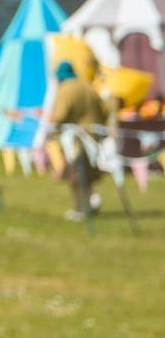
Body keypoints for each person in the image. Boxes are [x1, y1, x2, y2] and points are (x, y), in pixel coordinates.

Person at [47, 61, 110, 221]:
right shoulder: (88, 87)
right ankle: (92, 203)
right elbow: (105, 110)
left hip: (78, 139)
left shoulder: (66, 90)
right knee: (88, 174)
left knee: (77, 175)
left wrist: (51, 130)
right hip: (95, 136)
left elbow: (59, 115)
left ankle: (81, 209)